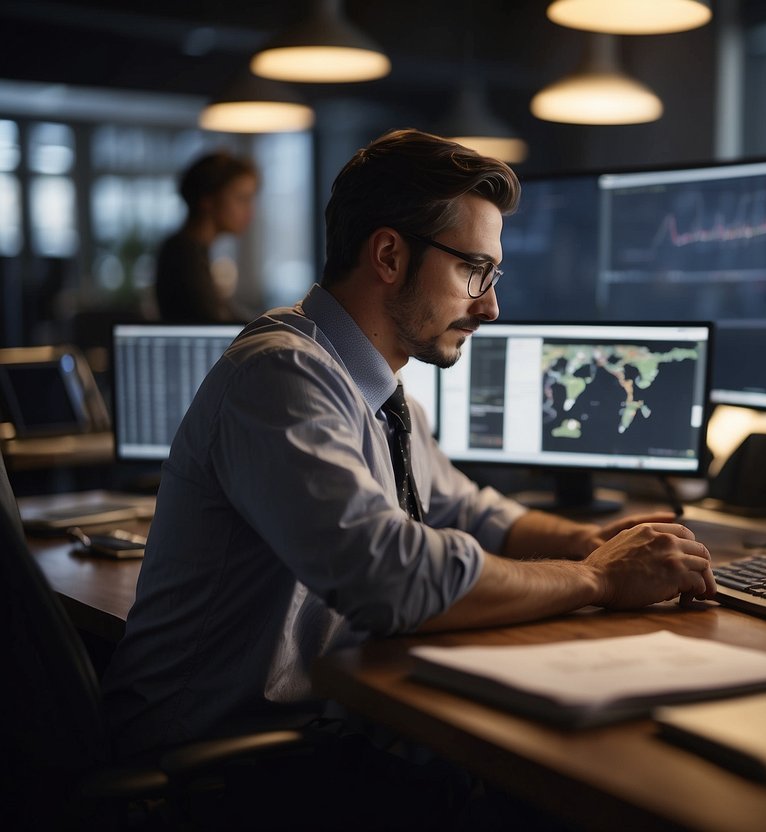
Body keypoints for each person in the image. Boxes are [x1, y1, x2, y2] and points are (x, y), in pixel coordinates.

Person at [102, 129, 716, 763]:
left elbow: (472, 512)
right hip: (213, 768)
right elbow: (391, 577)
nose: (491, 307)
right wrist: (595, 578)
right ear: (389, 256)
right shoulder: (280, 376)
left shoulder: (379, 393)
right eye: (474, 271)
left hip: (298, 742)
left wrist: (588, 542)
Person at [154, 150, 258, 323]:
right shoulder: (183, 255)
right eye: (241, 199)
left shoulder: (190, 250)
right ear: (207, 200)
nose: (250, 212)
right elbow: (213, 322)